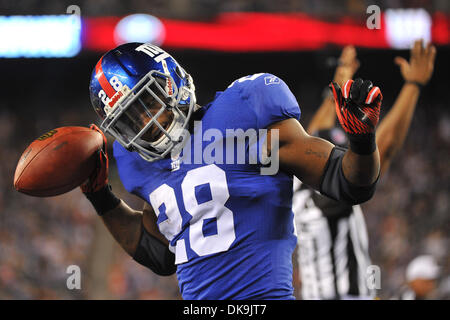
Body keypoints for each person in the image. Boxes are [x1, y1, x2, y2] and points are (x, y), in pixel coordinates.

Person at [82, 42, 382, 300]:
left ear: (171, 82)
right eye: (132, 120)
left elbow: (347, 182)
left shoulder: (243, 112)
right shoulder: (143, 164)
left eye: (149, 102)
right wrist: (101, 198)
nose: (147, 122)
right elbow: (158, 252)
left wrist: (362, 140)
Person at [293, 40, 436, 300]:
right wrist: (413, 86)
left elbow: (313, 138)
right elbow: (385, 146)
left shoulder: (296, 184)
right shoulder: (329, 195)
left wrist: (337, 86)